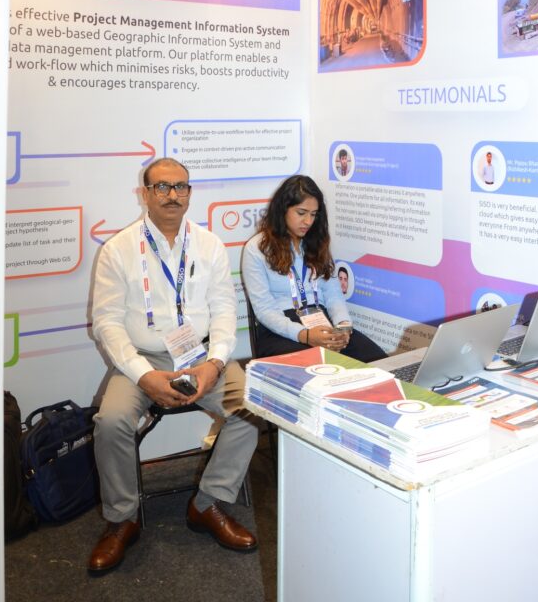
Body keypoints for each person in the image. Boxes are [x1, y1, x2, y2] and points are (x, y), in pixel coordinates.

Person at [89, 157, 258, 575]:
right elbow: (107, 323)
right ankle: (122, 518)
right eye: (162, 187)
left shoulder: (209, 244)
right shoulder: (118, 249)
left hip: (199, 356)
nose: (172, 195)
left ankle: (207, 504)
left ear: (189, 193)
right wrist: (144, 375)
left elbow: (224, 311)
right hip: (140, 360)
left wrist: (214, 364)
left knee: (251, 408)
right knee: (111, 422)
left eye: (180, 186)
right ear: (144, 194)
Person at [241, 175, 385, 362]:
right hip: (281, 331)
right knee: (324, 369)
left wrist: (343, 326)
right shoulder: (256, 249)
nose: (308, 221)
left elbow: (333, 294)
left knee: (380, 361)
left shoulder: (316, 242)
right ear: (282, 209)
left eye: (313, 214)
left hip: (322, 321)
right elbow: (265, 310)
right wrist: (305, 335)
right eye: (301, 213)